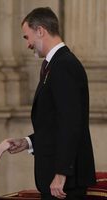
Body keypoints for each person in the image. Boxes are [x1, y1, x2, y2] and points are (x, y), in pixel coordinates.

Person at [8, 7, 96, 200]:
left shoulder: (64, 65)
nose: (28, 44)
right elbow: (54, 124)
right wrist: (28, 142)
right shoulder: (53, 64)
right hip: (57, 177)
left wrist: (61, 173)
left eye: (27, 37)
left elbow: (70, 123)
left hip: (64, 182)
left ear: (40, 30)